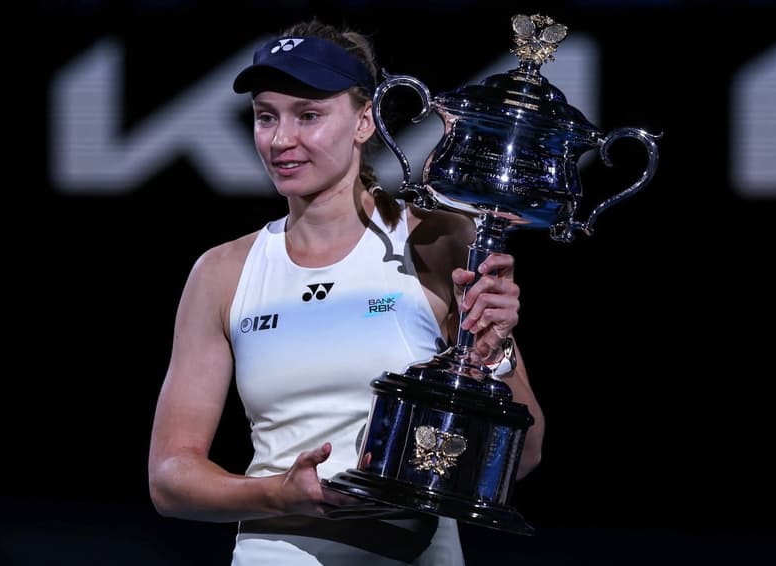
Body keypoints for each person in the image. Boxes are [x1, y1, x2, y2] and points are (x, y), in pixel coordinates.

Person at [147, 17, 545, 565]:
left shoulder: (440, 242)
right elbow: (171, 479)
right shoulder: (223, 272)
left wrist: (493, 356)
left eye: (308, 116)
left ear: (364, 121)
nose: (281, 139)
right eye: (266, 117)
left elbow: (523, 455)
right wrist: (277, 493)